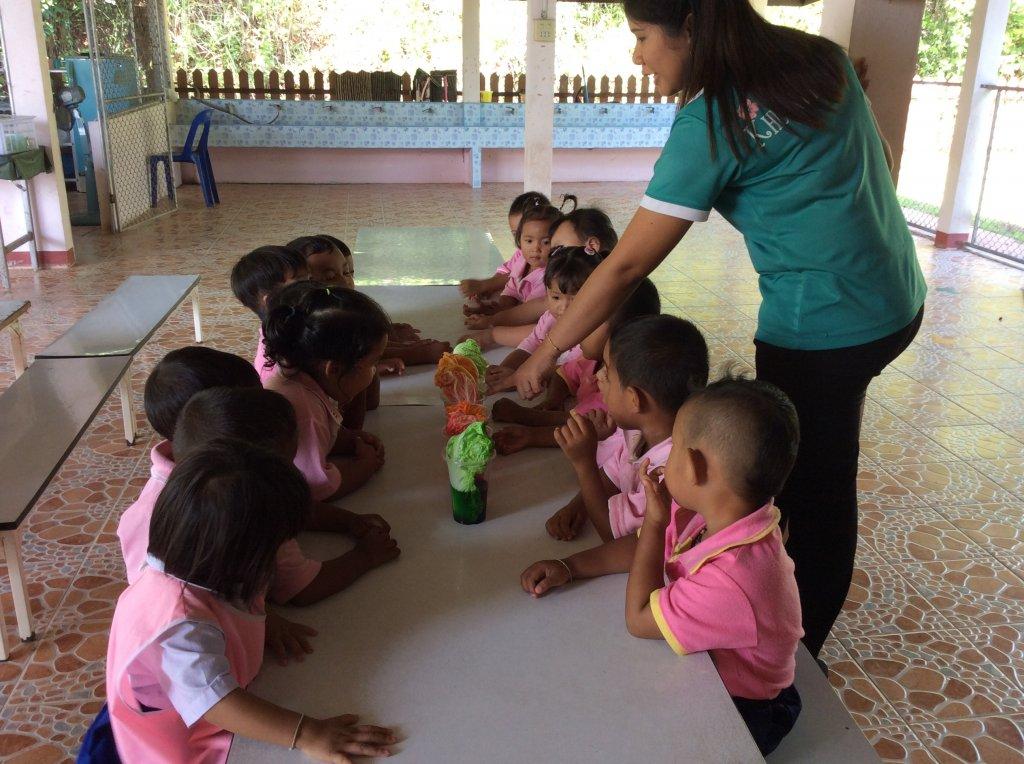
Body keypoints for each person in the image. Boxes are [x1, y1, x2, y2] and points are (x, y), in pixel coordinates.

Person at [512, 0, 927, 657]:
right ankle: (774, 616)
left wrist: (549, 353)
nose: (637, 56)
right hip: (896, 297)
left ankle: (787, 653)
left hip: (820, 329)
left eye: (642, 36)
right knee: (824, 473)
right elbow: (882, 155)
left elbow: (625, 267)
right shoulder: (819, 59)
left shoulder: (709, 124)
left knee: (793, 495)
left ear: (692, 27)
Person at [520, 375, 804, 755]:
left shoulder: (733, 577)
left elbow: (638, 618)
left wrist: (654, 522)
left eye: (675, 448)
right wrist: (569, 567)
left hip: (744, 709)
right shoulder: (723, 512)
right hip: (714, 666)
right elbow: (644, 549)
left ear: (695, 467)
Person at [106, 441, 398, 763]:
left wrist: (265, 618)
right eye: (276, 547)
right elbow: (217, 702)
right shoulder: (180, 625)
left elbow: (223, 605)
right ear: (242, 557)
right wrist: (307, 733)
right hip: (189, 744)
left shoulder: (197, 562)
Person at [173, 387, 400, 607]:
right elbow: (302, 589)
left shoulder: (196, 481)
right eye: (287, 462)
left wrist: (348, 521)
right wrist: (365, 556)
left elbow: (298, 510)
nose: (295, 471)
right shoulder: (249, 513)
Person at [544, 315, 708, 542]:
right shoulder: (639, 431)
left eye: (608, 373)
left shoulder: (668, 472)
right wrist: (578, 507)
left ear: (634, 400)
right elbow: (611, 476)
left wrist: (584, 464)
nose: (598, 376)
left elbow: (611, 535)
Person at [491, 278, 661, 456]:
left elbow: (580, 427)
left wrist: (528, 425)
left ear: (619, 334)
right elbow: (563, 374)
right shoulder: (591, 361)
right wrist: (553, 400)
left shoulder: (618, 388)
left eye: (587, 325)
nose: (577, 332)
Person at [263, 281, 390, 502]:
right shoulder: (304, 411)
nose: (374, 371)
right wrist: (366, 465)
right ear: (334, 369)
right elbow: (314, 490)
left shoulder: (300, 378)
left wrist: (347, 440)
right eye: (373, 363)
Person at [287, 233, 451, 367]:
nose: (345, 281)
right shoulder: (316, 320)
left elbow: (362, 337)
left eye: (347, 272)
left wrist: (387, 332)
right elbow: (356, 351)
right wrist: (418, 353)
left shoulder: (338, 305)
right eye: (330, 277)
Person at [467, 207, 621, 335]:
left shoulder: (607, 298)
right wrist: (492, 320)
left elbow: (544, 334)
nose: (552, 257)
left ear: (592, 246)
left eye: (559, 248)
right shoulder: (572, 287)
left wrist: (491, 335)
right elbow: (537, 308)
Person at [484, 246, 603, 393]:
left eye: (575, 298)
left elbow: (570, 371)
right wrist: (505, 369)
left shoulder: (594, 332)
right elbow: (530, 344)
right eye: (556, 297)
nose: (563, 308)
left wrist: (518, 378)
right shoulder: (550, 318)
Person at [462, 201, 564, 341]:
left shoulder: (550, 276)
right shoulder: (522, 259)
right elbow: (512, 288)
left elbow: (526, 314)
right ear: (519, 240)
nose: (535, 248)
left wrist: (492, 320)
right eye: (529, 241)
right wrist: (496, 308)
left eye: (546, 242)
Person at [229, 245, 308, 383]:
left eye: (310, 279)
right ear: (272, 301)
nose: (316, 287)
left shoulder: (298, 332)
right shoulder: (274, 370)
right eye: (302, 284)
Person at [458, 190, 552, 302]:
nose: (519, 240)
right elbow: (507, 271)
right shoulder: (520, 254)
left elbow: (513, 278)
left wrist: (485, 284)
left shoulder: (548, 271)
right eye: (515, 234)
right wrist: (490, 287)